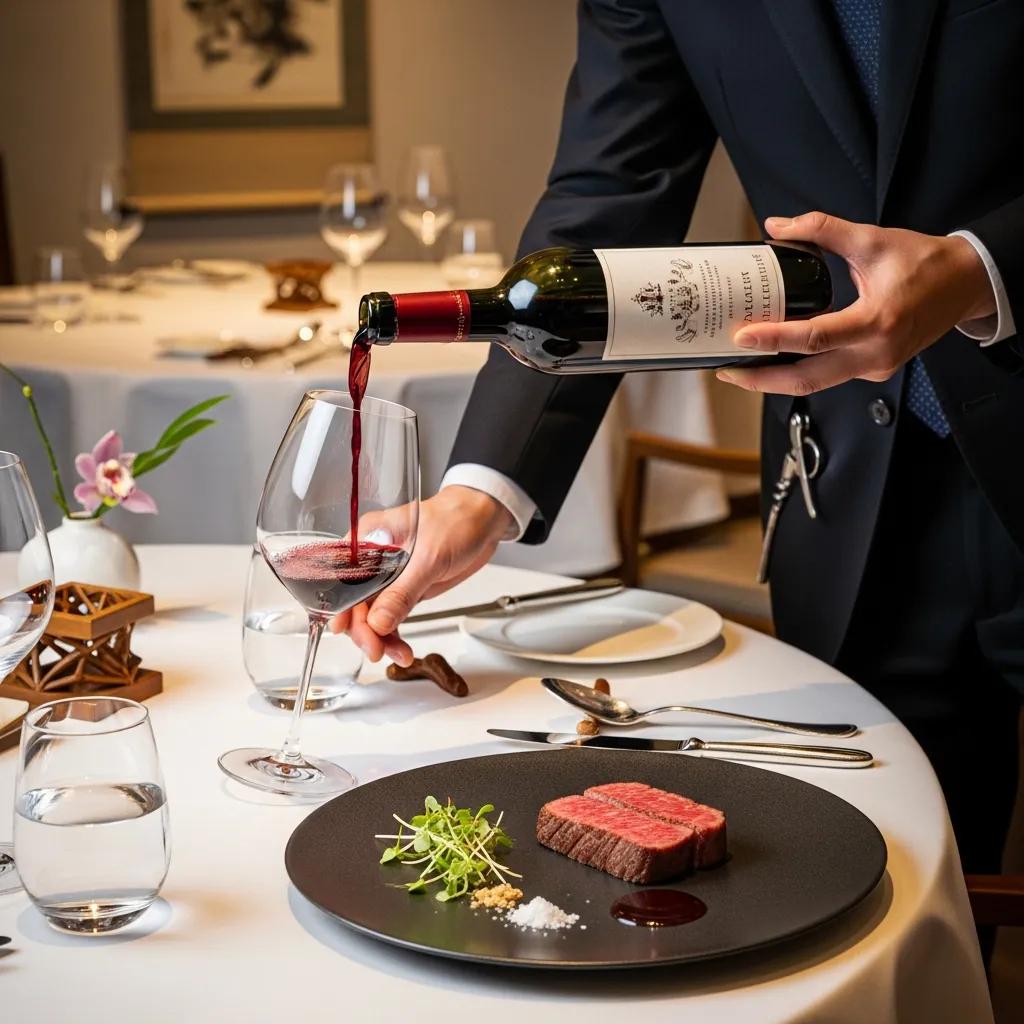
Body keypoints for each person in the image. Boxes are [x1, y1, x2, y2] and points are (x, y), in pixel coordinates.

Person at [335, 0, 1024, 883]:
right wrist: (481, 492)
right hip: (850, 493)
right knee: (893, 892)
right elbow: (609, 198)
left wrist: (980, 271)